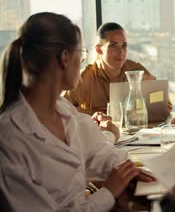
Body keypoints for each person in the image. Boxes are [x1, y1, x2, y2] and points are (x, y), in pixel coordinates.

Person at [0, 12, 155, 211]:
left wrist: (130, 173)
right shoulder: (10, 139)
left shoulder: (64, 112)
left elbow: (98, 152)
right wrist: (109, 191)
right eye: (81, 54)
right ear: (65, 58)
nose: (82, 62)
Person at [64, 22, 168, 117]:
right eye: (113, 45)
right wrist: (97, 113)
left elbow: (166, 106)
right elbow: (61, 110)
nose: (121, 52)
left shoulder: (136, 71)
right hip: (100, 136)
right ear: (99, 49)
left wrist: (152, 86)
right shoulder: (83, 78)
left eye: (124, 46)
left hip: (138, 134)